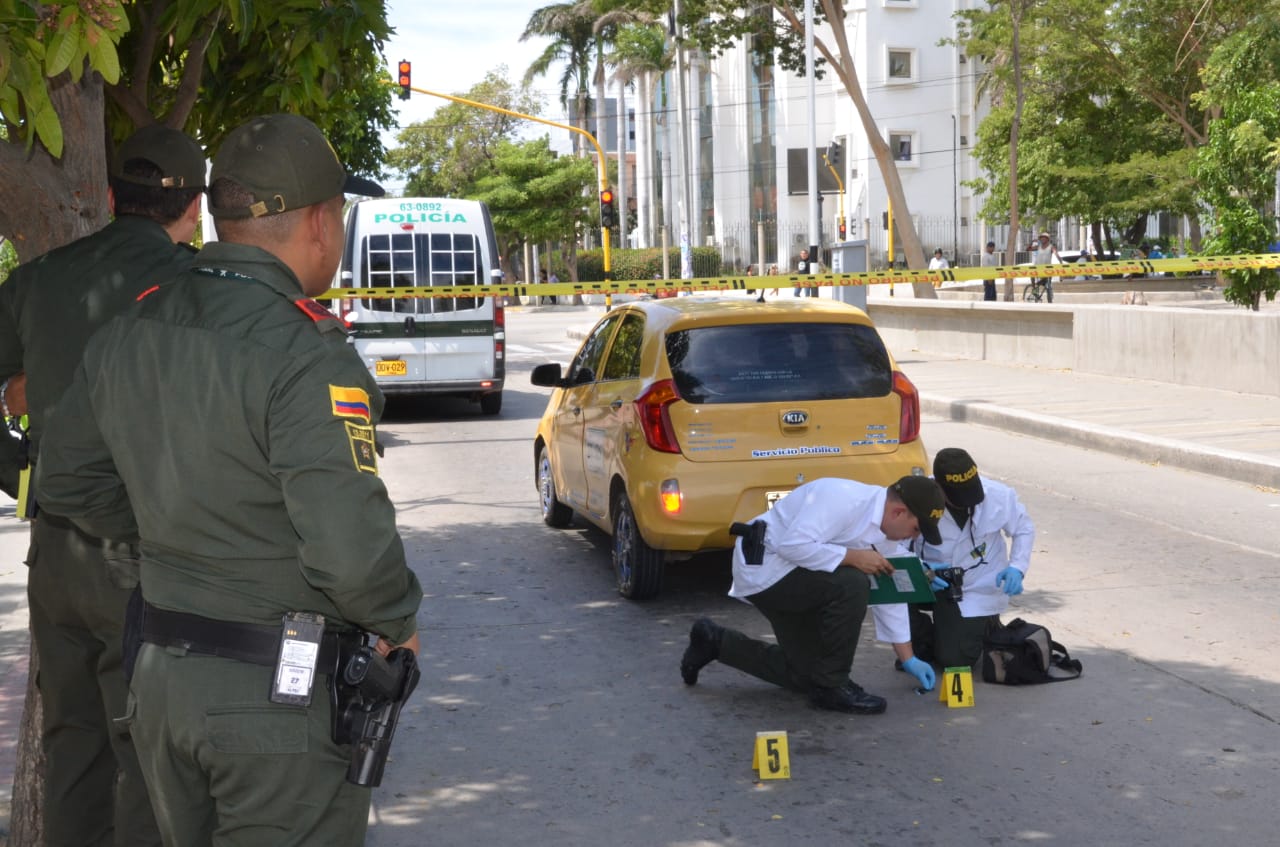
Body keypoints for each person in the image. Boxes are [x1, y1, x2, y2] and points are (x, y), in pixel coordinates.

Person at [35, 113, 424, 845]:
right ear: (320, 223)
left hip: (161, 688)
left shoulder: (133, 329)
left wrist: (168, 523)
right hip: (274, 706)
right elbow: (349, 554)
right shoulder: (307, 352)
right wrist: (398, 623)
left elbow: (64, 480)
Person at [0, 124, 207, 847]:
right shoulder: (193, 291)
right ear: (194, 207)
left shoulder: (38, 278)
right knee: (148, 763)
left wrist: (23, 478)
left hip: (54, 556)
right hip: (141, 554)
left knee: (74, 752)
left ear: (116, 196)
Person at [679, 475, 946, 714]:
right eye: (916, 529)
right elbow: (792, 546)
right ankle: (832, 687)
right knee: (852, 584)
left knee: (807, 674)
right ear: (899, 512)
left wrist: (907, 657)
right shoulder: (843, 499)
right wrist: (853, 557)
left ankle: (715, 642)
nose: (914, 537)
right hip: (767, 570)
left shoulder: (887, 528)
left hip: (797, 573)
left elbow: (890, 585)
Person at [903, 448, 1035, 670]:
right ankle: (921, 643)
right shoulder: (919, 497)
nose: (967, 503)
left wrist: (1017, 568)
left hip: (975, 586)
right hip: (927, 577)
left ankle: (983, 625)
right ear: (938, 487)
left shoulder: (998, 495)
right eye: (957, 497)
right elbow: (893, 546)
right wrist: (920, 569)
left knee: (954, 660)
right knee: (891, 595)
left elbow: (1024, 529)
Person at [1032, 231, 1060, 303]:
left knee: (1048, 285)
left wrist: (1061, 261)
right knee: (1032, 277)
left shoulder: (1051, 247)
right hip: (1037, 268)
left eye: (1044, 238)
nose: (1042, 239)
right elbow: (1028, 248)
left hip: (1047, 270)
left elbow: (1056, 253)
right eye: (1041, 238)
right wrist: (1033, 242)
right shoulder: (1038, 246)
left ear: (1047, 239)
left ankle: (1049, 300)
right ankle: (1034, 289)